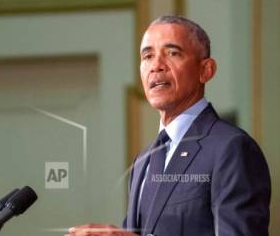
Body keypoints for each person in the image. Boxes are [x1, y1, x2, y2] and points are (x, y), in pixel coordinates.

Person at [66, 15, 271, 236]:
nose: (156, 66)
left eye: (172, 53)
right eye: (147, 56)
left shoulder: (231, 148)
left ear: (206, 70)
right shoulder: (143, 160)